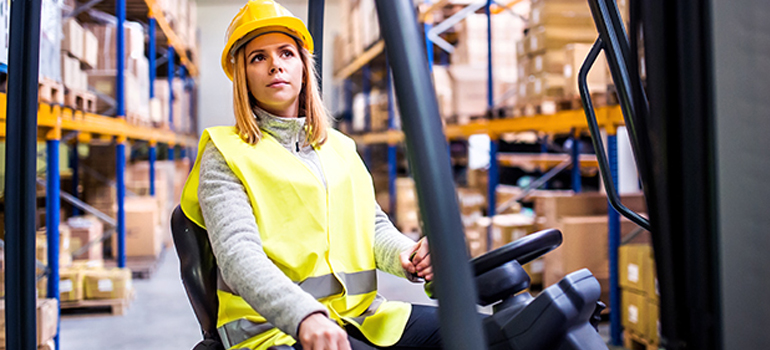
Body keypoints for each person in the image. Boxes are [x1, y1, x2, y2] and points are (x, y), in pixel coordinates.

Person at [180, 1, 442, 349]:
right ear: (243, 76)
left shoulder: (340, 147)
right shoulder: (225, 152)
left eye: (286, 53)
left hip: (358, 317)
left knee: (477, 332)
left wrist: (407, 255)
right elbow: (238, 254)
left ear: (304, 67)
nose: (275, 65)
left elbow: (371, 227)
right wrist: (305, 316)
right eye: (258, 57)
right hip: (272, 330)